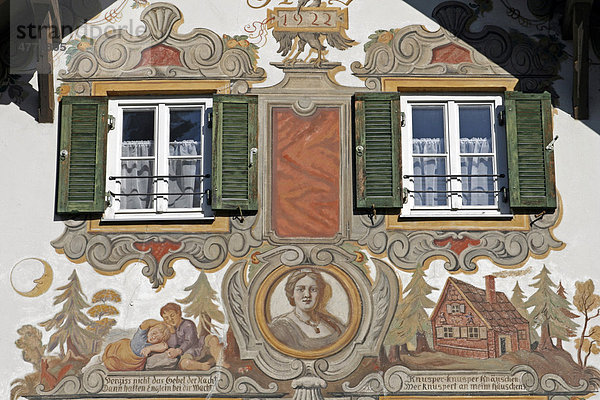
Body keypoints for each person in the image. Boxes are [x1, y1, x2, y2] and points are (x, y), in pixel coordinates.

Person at [268, 268, 346, 351]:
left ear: (319, 294)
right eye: (301, 289)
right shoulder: (281, 327)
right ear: (292, 294)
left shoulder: (334, 324)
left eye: (313, 289)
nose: (307, 295)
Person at [153, 302, 227, 370]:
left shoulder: (188, 324)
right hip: (187, 353)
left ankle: (220, 362)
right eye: (166, 318)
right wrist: (172, 332)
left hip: (199, 346)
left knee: (213, 339)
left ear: (179, 313)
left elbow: (190, 340)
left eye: (172, 315)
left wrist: (179, 350)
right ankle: (202, 366)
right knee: (184, 364)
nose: (170, 319)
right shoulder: (170, 331)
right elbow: (173, 345)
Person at [102, 320, 171, 371]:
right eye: (154, 333)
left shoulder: (153, 345)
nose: (153, 337)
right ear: (150, 329)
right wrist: (162, 323)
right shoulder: (141, 335)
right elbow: (146, 323)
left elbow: (164, 346)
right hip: (122, 349)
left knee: (111, 364)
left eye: (157, 338)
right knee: (107, 355)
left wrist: (150, 348)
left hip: (132, 362)